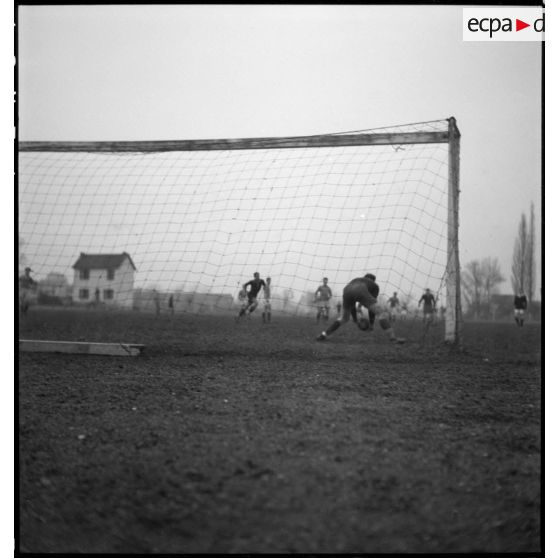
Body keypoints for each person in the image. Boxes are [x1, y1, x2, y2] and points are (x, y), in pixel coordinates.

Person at [316, 274, 404, 343]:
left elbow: (352, 305)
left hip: (346, 290)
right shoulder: (374, 285)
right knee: (381, 313)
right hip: (360, 291)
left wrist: (355, 320)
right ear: (372, 280)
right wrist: (371, 324)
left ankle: (324, 334)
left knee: (344, 318)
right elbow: (372, 309)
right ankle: (393, 338)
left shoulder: (355, 280)